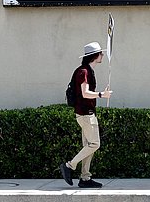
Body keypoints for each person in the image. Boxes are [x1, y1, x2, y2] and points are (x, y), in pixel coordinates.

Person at [60, 41, 113, 189]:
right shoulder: (83, 72)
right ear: (95, 56)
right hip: (86, 114)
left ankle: (85, 178)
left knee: (88, 146)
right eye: (100, 53)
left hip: (86, 113)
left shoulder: (87, 70)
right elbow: (85, 93)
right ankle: (69, 165)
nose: (102, 55)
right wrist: (102, 94)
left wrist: (101, 93)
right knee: (95, 144)